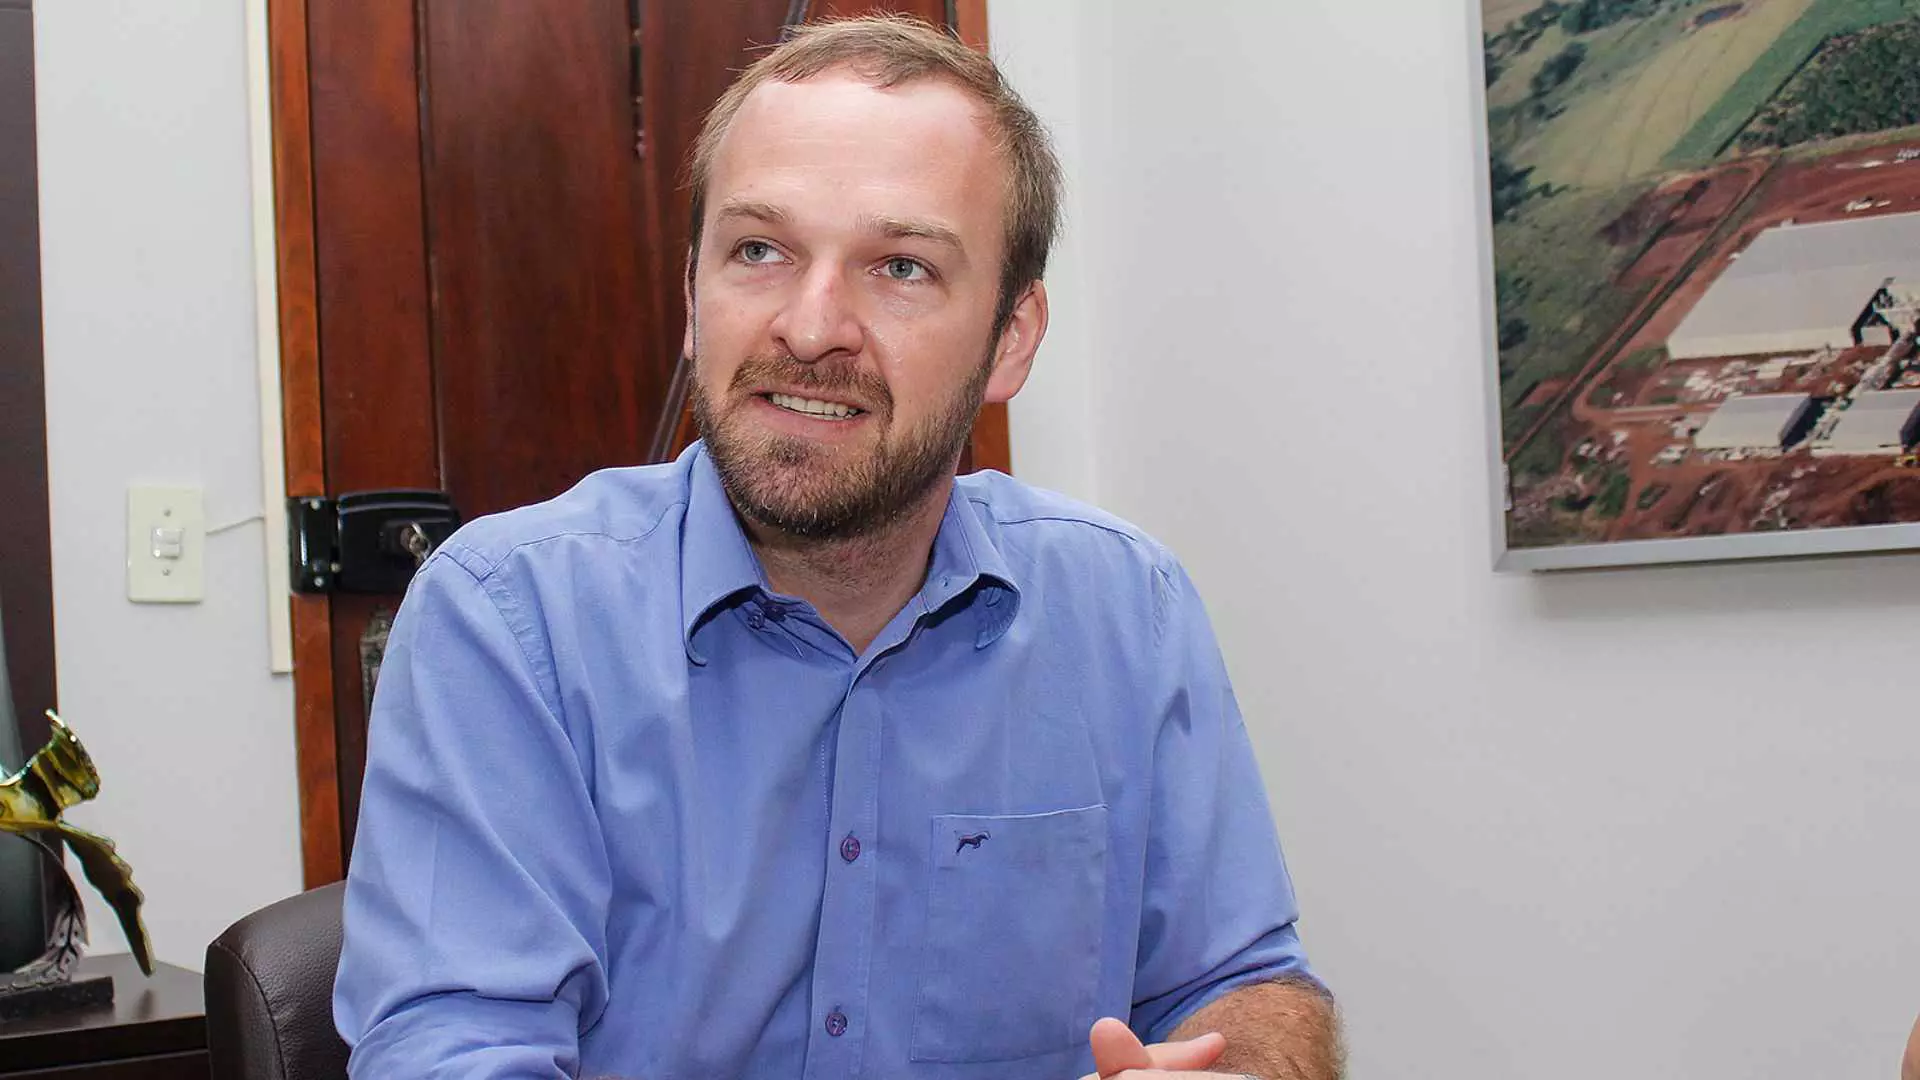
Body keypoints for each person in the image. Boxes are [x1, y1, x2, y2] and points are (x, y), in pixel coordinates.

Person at [333, 15, 1339, 1080]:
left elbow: (1246, 980)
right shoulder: (508, 622)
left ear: (1011, 338)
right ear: (692, 298)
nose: (811, 329)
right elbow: (455, 1054)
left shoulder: (1128, 610)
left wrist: (1241, 1068)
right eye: (759, 251)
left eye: (900, 267)